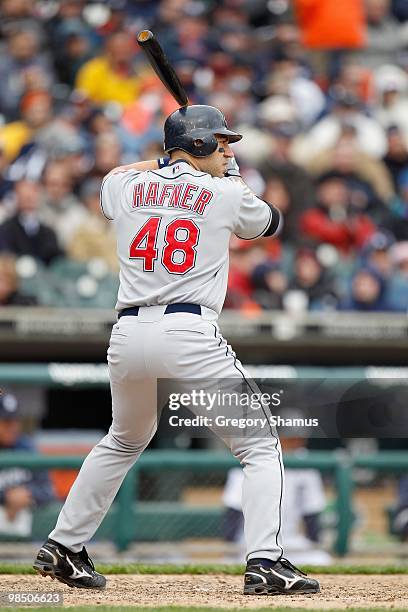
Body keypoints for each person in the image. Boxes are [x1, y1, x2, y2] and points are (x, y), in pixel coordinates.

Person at [33, 104, 320, 596]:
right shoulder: (227, 192)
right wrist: (231, 178)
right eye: (220, 141)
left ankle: (64, 545)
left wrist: (174, 165)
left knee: (123, 439)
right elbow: (271, 222)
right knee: (259, 444)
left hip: (127, 335)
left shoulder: (124, 186)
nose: (228, 149)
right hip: (188, 331)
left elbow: (114, 178)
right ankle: (267, 561)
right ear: (200, 145)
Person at [0, 392, 54, 536]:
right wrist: (6, 497)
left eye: (15, 421)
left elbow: (48, 491)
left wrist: (27, 493)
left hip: (25, 536)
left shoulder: (27, 447)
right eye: (6, 422)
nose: (13, 427)